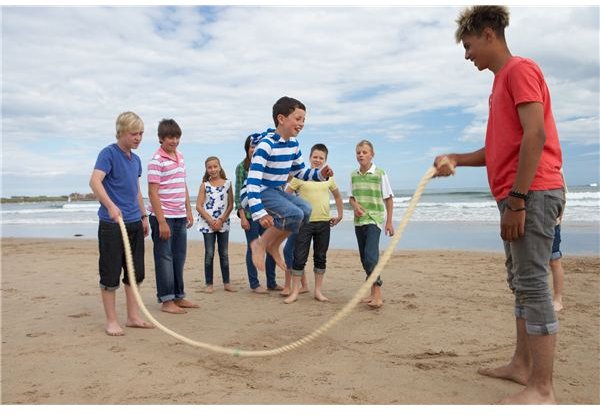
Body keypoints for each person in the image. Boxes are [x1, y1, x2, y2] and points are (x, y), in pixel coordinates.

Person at [433, 6, 565, 404]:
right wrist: (456, 157)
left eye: (469, 46)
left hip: (533, 193)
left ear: (488, 34)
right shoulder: (500, 82)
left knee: (532, 284)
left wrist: (519, 201)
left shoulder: (520, 70)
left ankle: (542, 389)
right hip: (518, 195)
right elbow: (498, 149)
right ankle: (522, 366)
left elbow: (535, 134)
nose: (467, 55)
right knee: (520, 284)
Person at [240, 96, 333, 273]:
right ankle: (260, 244)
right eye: (298, 119)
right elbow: (253, 180)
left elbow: (299, 172)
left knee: (305, 209)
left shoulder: (293, 144)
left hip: (275, 190)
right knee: (294, 213)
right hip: (257, 191)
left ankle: (273, 245)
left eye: (304, 120)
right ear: (281, 119)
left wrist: (320, 174)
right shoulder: (266, 145)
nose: (302, 123)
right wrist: (259, 213)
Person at [89, 111, 155, 336]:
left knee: (135, 273)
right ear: (122, 133)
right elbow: (94, 181)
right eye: (134, 133)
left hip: (134, 222)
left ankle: (133, 317)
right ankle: (111, 321)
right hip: (112, 224)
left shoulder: (135, 160)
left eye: (141, 133)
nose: (138, 138)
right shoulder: (108, 153)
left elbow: (136, 191)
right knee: (110, 273)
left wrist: (144, 216)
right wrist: (109, 205)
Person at [147, 118, 198, 314]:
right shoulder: (156, 161)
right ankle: (167, 300)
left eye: (177, 137)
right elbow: (152, 192)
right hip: (163, 217)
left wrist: (189, 210)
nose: (174, 141)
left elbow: (182, 184)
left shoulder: (180, 156)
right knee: (164, 258)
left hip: (179, 215)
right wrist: (161, 222)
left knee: (179, 257)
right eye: (170, 137)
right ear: (161, 139)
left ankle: (179, 296)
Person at [284, 143, 344, 304]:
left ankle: (318, 291)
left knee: (320, 257)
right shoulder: (300, 176)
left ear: (325, 160)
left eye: (321, 158)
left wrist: (340, 215)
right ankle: (295, 291)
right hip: (304, 223)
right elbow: (286, 195)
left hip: (324, 223)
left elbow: (338, 197)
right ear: (309, 158)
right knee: (299, 257)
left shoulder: (329, 177)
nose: (317, 160)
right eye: (315, 157)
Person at [349, 140, 394, 309]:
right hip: (358, 221)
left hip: (374, 220)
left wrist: (389, 222)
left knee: (370, 257)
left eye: (365, 152)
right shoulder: (353, 175)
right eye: (359, 152)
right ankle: (371, 293)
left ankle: (377, 295)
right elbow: (351, 197)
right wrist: (355, 206)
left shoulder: (380, 173)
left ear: (372, 155)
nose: (361, 155)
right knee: (364, 259)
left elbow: (389, 199)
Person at [234, 134, 282, 294]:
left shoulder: (267, 165)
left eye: (257, 146)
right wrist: (242, 216)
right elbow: (237, 193)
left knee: (270, 246)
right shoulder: (242, 167)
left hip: (267, 214)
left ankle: (271, 282)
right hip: (250, 215)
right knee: (253, 248)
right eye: (251, 146)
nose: (254, 149)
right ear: (247, 148)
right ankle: (254, 284)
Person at [196, 156, 236, 293]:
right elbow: (199, 206)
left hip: (223, 223)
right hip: (208, 224)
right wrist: (211, 221)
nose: (213, 169)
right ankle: (209, 284)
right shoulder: (204, 185)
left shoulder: (228, 184)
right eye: (210, 167)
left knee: (224, 253)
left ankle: (227, 283)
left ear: (220, 167)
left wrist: (221, 220)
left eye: (215, 166)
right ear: (206, 170)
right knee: (209, 253)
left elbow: (231, 204)